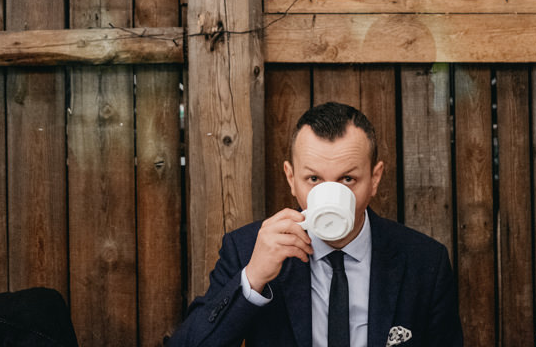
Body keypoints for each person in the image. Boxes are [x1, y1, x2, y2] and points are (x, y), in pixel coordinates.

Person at [169, 102, 463, 347]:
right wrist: (253, 278)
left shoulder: (424, 261)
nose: (331, 194)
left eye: (348, 179)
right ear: (290, 178)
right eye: (314, 179)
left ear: (374, 179)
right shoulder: (248, 249)